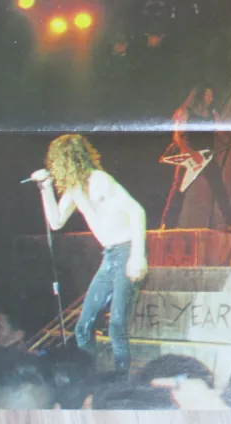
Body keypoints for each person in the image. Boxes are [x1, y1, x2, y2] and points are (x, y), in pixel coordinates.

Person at [29, 134, 147, 375]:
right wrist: (45, 188)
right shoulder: (75, 190)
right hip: (110, 256)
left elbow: (137, 211)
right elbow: (56, 222)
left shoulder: (100, 180)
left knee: (117, 325)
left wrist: (138, 255)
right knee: (83, 327)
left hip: (126, 251)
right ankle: (88, 378)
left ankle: (121, 380)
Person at [161, 83, 231, 232]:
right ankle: (168, 224)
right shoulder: (186, 113)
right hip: (189, 158)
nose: (210, 98)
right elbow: (178, 137)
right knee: (179, 191)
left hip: (206, 158)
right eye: (207, 95)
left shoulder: (213, 115)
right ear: (200, 96)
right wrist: (192, 153)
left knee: (219, 189)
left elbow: (221, 134)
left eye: (211, 95)